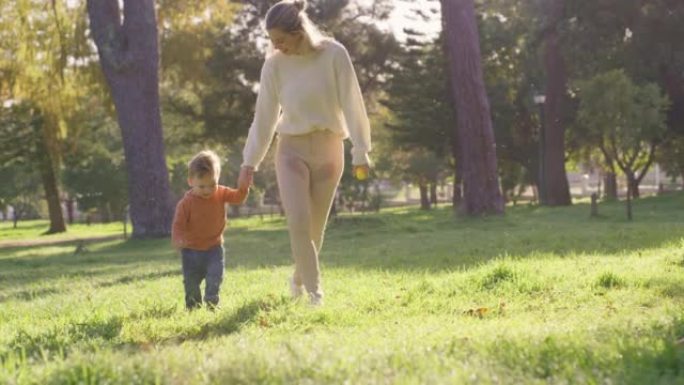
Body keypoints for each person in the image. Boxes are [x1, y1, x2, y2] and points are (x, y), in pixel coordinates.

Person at [238, 0, 372, 306]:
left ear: (298, 31)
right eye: (271, 41)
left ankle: (299, 278)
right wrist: (250, 161)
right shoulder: (274, 65)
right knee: (298, 221)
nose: (276, 46)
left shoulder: (334, 55)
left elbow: (353, 103)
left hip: (329, 149)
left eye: (281, 39)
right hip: (291, 150)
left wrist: (361, 151)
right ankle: (315, 293)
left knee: (315, 231)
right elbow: (265, 118)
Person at [172, 150, 249, 310]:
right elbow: (178, 225)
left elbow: (238, 197)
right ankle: (193, 307)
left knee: (215, 275)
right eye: (202, 186)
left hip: (214, 247)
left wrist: (244, 186)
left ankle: (212, 301)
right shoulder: (186, 204)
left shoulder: (220, 193)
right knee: (191, 282)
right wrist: (178, 239)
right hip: (191, 251)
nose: (207, 190)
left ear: (217, 179)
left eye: (212, 184)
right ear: (190, 181)